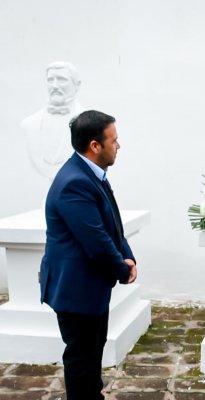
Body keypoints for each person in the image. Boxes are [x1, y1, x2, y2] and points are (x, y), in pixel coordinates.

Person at [39, 110, 137, 400]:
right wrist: (122, 268)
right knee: (82, 358)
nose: (118, 146)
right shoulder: (74, 182)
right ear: (95, 146)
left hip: (89, 287)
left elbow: (111, 224)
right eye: (114, 140)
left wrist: (127, 255)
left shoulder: (91, 173)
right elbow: (94, 239)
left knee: (94, 351)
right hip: (75, 288)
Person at [21, 61, 86, 182]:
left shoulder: (92, 124)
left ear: (77, 85)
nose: (55, 86)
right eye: (51, 80)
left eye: (61, 79)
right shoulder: (29, 124)